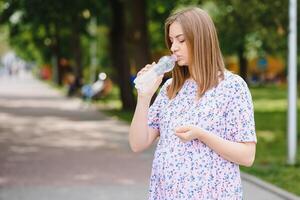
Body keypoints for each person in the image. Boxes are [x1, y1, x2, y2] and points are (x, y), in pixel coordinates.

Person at [129, 6, 256, 200]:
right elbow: (137, 144)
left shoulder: (232, 87)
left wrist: (201, 134)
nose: (173, 48)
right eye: (171, 41)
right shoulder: (170, 88)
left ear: (201, 40)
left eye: (181, 40)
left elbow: (247, 156)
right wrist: (144, 97)